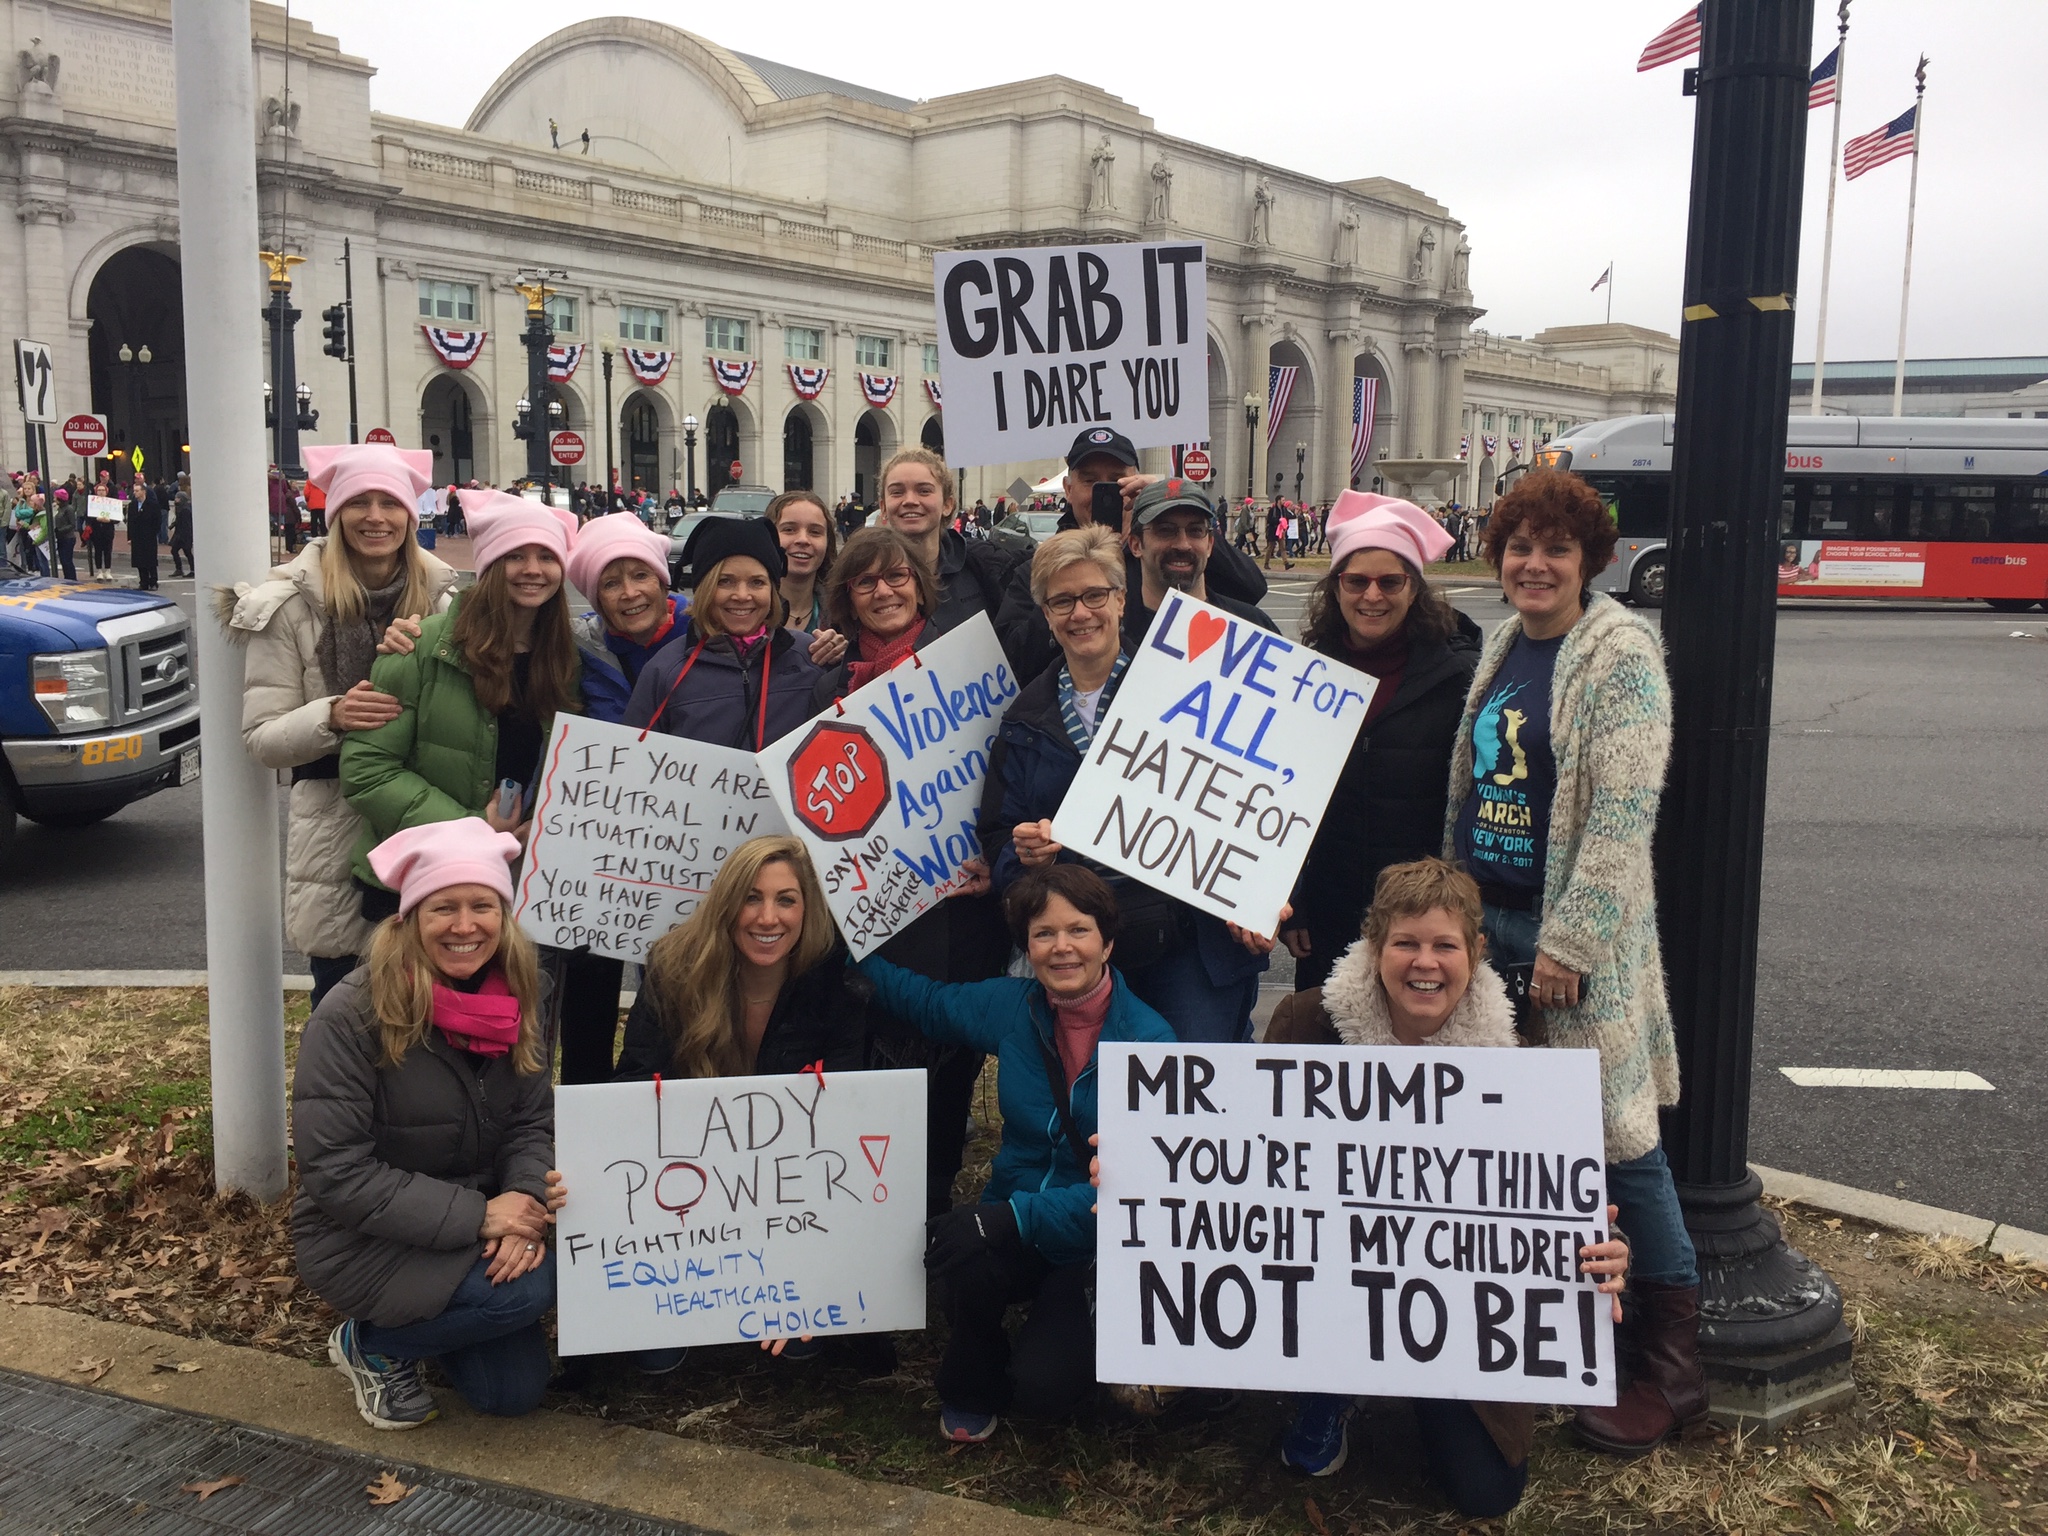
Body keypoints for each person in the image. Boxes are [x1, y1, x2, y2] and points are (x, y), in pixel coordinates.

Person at [1232, 858, 1631, 1512]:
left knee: (1486, 1491)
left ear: (1476, 951)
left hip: (1458, 1303)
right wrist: (1147, 1173)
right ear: (1373, 946)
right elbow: (1239, 1169)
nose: (1425, 963)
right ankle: (1332, 1390)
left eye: (1445, 945)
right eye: (1405, 943)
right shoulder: (1306, 1025)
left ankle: (1421, 1379)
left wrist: (1610, 1247)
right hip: (1337, 1273)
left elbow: (1560, 1195)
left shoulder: (1525, 1050)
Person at [1446, 469, 1696, 1456]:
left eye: (1555, 548)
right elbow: (1472, 790)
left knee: (1617, 1137)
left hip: (1565, 939)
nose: (1532, 564)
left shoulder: (1619, 654)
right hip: (1486, 923)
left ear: (1589, 561)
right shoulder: (1506, 643)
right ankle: (1561, 1323)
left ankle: (1672, 1367)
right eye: (1517, 546)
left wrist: (1570, 945)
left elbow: (1622, 818)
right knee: (1517, 1134)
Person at [858, 864, 1176, 1441]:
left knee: (1043, 1391)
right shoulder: (1014, 1007)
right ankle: (970, 1386)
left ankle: (1085, 1337)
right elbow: (927, 1001)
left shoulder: (1151, 1045)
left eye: (1077, 931)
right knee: (961, 1260)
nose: (1061, 948)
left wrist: (1009, 1216)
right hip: (1012, 1220)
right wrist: (846, 957)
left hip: (1092, 1245)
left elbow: (1135, 1191)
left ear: (1107, 941)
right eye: (1043, 934)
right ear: (1026, 948)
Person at [294, 818, 562, 1429]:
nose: (465, 926)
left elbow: (531, 1122)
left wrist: (521, 1198)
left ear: (503, 914)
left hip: (482, 1218)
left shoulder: (522, 996)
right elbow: (336, 1171)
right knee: (527, 1293)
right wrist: (481, 1216)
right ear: (410, 918)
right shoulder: (350, 1015)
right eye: (443, 907)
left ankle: (441, 1322)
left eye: (482, 906)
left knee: (511, 1395)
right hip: (364, 1239)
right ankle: (371, 1344)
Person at [984, 527, 1270, 1045]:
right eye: (1063, 601)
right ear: (1046, 614)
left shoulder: (1193, 688)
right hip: (1081, 954)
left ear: (1120, 600)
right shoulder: (1023, 718)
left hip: (1190, 948)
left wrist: (1266, 893)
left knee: (1189, 1094)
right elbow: (998, 836)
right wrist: (1027, 856)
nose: (1081, 613)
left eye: (1094, 595)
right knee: (1092, 1109)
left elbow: (1264, 800)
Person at [810, 527, 1008, 1217]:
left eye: (897, 578)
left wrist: (997, 846)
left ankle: (930, 1200)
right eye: (866, 582)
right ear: (847, 598)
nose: (884, 591)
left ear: (921, 587)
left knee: (945, 1061)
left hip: (958, 906)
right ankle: (866, 1207)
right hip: (865, 910)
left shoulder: (968, 664)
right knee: (868, 1059)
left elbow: (1001, 771)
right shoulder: (825, 678)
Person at [228, 444, 459, 1011]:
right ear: (334, 514)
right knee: (345, 1017)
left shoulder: (447, 602)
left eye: (389, 503)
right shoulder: (288, 608)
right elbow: (262, 737)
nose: (375, 516)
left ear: (410, 516)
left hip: (430, 818)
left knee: (439, 1013)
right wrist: (332, 714)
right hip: (335, 829)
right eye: (358, 502)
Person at [341, 488, 583, 925]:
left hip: (520, 885)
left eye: (546, 557)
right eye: (516, 556)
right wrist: (474, 829)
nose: (532, 570)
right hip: (421, 888)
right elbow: (368, 771)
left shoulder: (566, 659)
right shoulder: (419, 646)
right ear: (490, 565)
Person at [1280, 492, 1481, 988]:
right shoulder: (1302, 674)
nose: (1372, 596)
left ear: (1414, 589)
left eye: (1390, 581)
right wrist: (1294, 899)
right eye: (1356, 581)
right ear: (1336, 587)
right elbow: (1282, 794)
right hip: (1328, 910)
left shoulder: (1459, 678)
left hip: (1424, 924)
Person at [995, 427, 1268, 678]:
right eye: (1090, 481)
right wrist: (1064, 593)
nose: (1102, 492)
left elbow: (1249, 588)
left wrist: (1168, 502)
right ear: (1068, 489)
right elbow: (1013, 665)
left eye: (1117, 481)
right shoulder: (1036, 571)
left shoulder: (1160, 559)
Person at [613, 835, 868, 1082]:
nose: (768, 918)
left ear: (807, 910)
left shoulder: (839, 991)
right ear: (726, 905)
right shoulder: (672, 976)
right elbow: (636, 1086)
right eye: (751, 898)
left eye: (786, 900)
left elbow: (846, 1105)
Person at [622, 516, 822, 747]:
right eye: (725, 581)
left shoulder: (811, 656)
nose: (742, 595)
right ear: (704, 589)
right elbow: (633, 763)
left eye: (757, 582)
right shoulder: (665, 671)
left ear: (773, 590)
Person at [873, 447, 1017, 641]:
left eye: (924, 491)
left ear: (947, 505)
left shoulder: (986, 565)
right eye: (897, 492)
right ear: (883, 507)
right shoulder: (862, 576)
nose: (910, 500)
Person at [1120, 477, 1273, 647]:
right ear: (1135, 545)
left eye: (1195, 531)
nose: (1183, 545)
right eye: (1165, 530)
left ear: (1209, 545)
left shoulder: (1255, 629)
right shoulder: (1110, 636)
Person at [769, 488, 841, 647]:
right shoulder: (745, 608)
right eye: (789, 529)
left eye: (815, 532)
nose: (803, 540)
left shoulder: (845, 614)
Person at [126, 479, 159, 589]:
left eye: (137, 491)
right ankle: (143, 582)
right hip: (137, 537)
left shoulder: (152, 504)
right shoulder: (132, 505)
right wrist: (129, 537)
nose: (135, 493)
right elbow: (130, 522)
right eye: (134, 491)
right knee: (139, 561)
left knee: (150, 561)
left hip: (149, 536)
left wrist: (154, 532)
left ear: (143, 491)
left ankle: (153, 581)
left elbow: (157, 521)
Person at [169, 473, 193, 576]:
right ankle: (179, 569)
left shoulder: (186, 510)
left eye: (178, 498)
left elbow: (186, 525)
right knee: (175, 550)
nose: (176, 500)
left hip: (184, 535)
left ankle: (192, 570)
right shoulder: (180, 509)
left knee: (187, 552)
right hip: (180, 534)